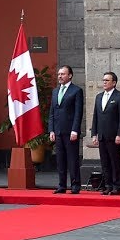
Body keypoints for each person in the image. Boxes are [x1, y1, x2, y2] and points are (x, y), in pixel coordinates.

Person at [89, 71, 120, 196]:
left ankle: (116, 186)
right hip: (101, 135)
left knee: (114, 162)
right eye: (103, 80)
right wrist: (94, 134)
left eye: (107, 80)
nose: (104, 82)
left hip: (113, 135)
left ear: (114, 83)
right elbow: (95, 116)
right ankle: (107, 186)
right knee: (104, 162)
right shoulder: (99, 97)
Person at [48, 64, 84, 194]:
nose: (60, 76)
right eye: (59, 74)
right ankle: (61, 185)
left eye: (62, 74)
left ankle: (75, 185)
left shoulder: (76, 91)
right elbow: (52, 112)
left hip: (70, 131)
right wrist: (51, 130)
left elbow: (78, 112)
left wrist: (75, 130)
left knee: (72, 159)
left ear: (70, 75)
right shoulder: (55, 91)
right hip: (58, 131)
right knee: (60, 159)